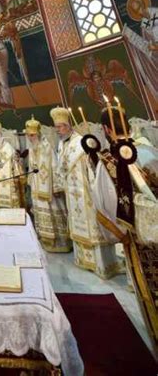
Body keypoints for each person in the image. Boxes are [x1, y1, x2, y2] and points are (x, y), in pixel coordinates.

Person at [91, 107, 158, 344]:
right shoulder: (149, 150)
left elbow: (104, 208)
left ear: (106, 130)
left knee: (150, 293)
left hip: (138, 241)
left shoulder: (107, 162)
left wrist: (120, 237)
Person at [51, 106, 121, 279]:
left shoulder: (81, 142)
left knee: (93, 224)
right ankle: (83, 260)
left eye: (60, 127)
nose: (58, 131)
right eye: (56, 128)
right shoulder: (61, 144)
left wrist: (93, 187)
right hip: (72, 192)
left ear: (68, 125)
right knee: (77, 222)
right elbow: (62, 167)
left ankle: (101, 265)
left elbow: (92, 167)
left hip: (86, 191)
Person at [25, 117, 71, 253]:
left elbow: (55, 166)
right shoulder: (32, 149)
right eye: (28, 135)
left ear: (38, 134)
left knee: (53, 213)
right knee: (40, 214)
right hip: (37, 187)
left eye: (32, 135)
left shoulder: (47, 147)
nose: (30, 138)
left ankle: (60, 242)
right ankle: (44, 240)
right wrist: (30, 182)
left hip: (49, 189)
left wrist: (57, 186)